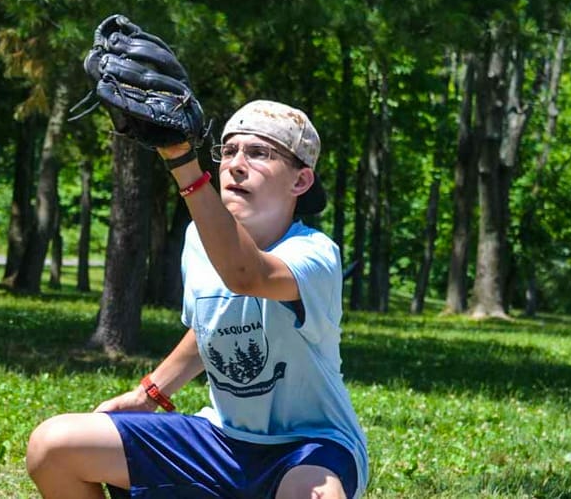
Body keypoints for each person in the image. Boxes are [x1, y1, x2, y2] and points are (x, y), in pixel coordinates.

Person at [26, 100, 368, 499]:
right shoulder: (197, 241)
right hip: (222, 441)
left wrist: (182, 162)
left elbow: (247, 275)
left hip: (310, 448)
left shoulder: (315, 253)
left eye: (259, 153)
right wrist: (148, 394)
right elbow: (210, 328)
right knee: (53, 447)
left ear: (301, 181)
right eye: (229, 151)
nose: (237, 164)